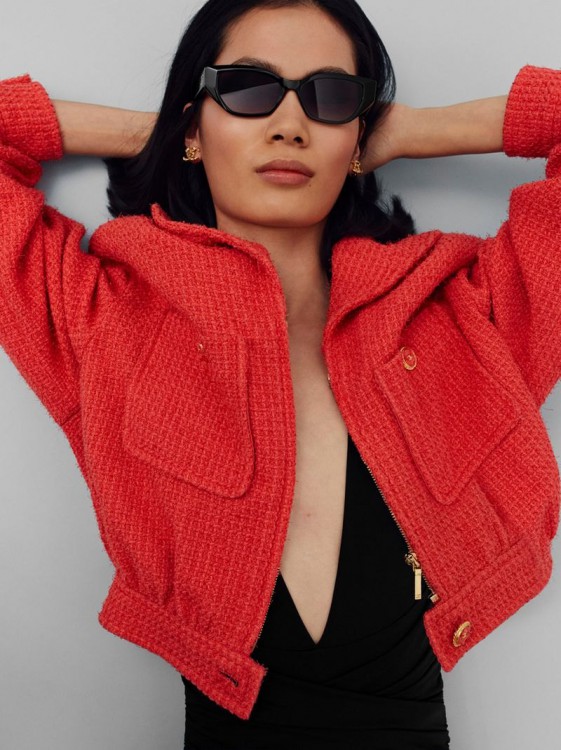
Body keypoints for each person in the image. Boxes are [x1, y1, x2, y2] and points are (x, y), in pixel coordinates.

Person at [1, 0, 560, 748]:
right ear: (196, 121)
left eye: (329, 96)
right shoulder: (105, 321)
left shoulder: (466, 322)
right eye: (247, 87)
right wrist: (176, 134)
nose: (290, 125)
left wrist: (405, 133)